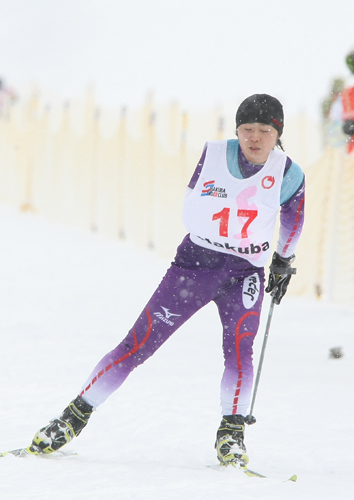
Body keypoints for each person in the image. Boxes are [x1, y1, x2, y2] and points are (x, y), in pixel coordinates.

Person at [26, 94, 306, 469]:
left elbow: (294, 219)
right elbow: (193, 206)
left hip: (244, 274)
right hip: (195, 266)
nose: (255, 138)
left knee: (240, 351)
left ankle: (232, 432)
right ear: (237, 130)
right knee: (138, 343)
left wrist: (283, 260)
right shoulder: (214, 154)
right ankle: (73, 416)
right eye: (247, 129)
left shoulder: (289, 173)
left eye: (265, 131)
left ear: (278, 133)